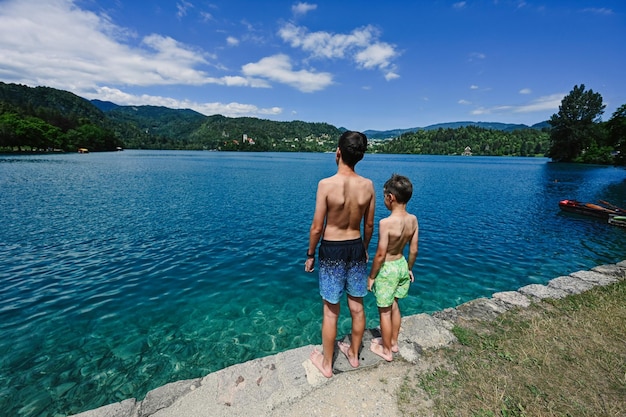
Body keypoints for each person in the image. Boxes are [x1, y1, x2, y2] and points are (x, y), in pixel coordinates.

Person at [304, 130, 375, 378]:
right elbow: (369, 225)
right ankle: (354, 355)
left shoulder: (326, 185)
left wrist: (310, 254)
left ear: (337, 153)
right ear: (360, 157)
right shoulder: (368, 186)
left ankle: (326, 365)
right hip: (356, 247)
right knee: (357, 306)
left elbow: (316, 227)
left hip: (332, 249)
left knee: (330, 311)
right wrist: (365, 247)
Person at [367, 174, 418, 361]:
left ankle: (386, 351)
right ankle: (393, 342)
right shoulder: (413, 220)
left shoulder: (385, 223)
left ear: (391, 197)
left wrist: (372, 276)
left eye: (384, 197)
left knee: (385, 311)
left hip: (387, 269)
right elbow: (414, 249)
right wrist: (409, 268)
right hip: (402, 265)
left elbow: (380, 254)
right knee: (395, 305)